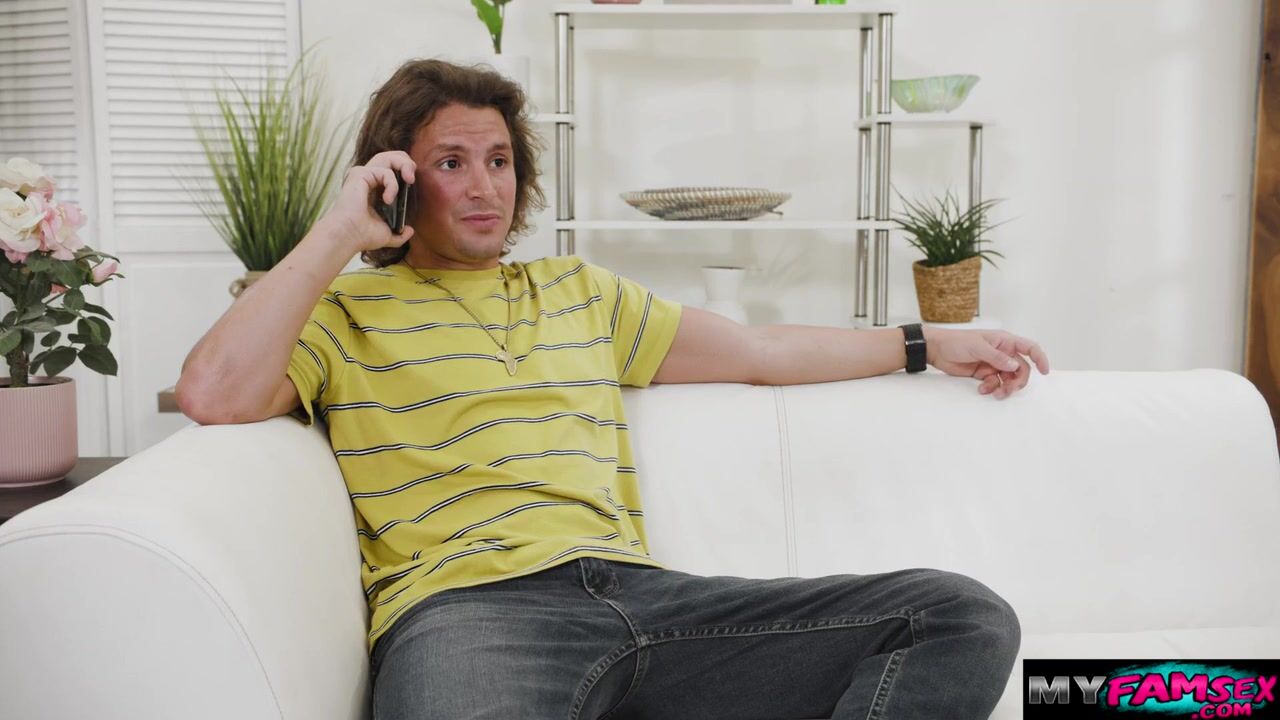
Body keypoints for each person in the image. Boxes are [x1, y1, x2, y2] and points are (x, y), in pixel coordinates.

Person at [177, 59, 1051, 720]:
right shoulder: (344, 311)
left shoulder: (579, 293)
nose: (484, 187)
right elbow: (213, 393)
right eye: (450, 162)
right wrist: (340, 229)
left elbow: (760, 350)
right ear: (396, 181)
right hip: (468, 615)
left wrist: (927, 341)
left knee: (959, 616)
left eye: (498, 160)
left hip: (648, 603)